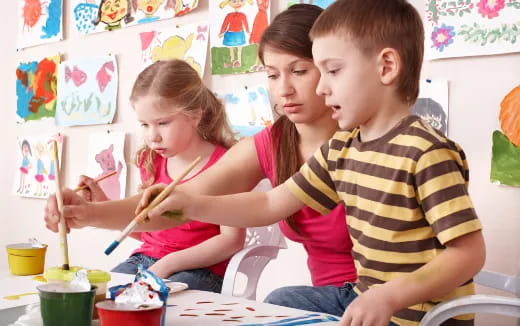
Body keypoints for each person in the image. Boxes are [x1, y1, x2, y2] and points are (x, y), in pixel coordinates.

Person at [136, 1, 486, 325]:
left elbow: (468, 254)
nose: (322, 88)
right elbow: (271, 202)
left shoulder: (427, 152)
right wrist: (192, 204)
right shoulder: (343, 148)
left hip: (422, 316)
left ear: (386, 67)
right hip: (366, 298)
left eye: (332, 71)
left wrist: (391, 295)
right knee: (279, 302)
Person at [44, 4, 357, 316]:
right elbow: (178, 202)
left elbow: (250, 208)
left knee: (279, 300)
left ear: (332, 68)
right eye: (272, 75)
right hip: (328, 304)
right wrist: (86, 212)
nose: (283, 89)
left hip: (375, 299)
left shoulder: (369, 140)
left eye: (299, 71)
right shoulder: (272, 143)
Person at [64, 59, 245, 293]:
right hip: (145, 261)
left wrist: (168, 263)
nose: (153, 137)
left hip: (200, 269)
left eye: (162, 123)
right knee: (99, 298)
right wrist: (102, 204)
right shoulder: (151, 161)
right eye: (144, 125)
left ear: (194, 116)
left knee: (155, 305)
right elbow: (147, 231)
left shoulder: (225, 164)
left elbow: (231, 240)